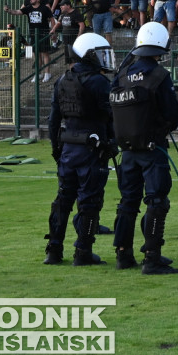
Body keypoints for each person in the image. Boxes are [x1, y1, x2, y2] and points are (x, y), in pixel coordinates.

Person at [110, 23, 178, 274]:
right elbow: (172, 113)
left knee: (127, 202)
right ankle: (152, 256)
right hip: (153, 149)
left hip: (127, 150)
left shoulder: (122, 73)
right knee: (157, 201)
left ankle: (122, 254)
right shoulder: (159, 75)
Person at [44, 32, 116, 266]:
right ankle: (83, 251)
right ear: (89, 54)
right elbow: (111, 116)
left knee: (63, 200)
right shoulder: (99, 82)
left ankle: (53, 250)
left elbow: (53, 120)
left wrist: (57, 149)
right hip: (92, 149)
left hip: (67, 148)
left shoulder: (62, 80)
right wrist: (113, 143)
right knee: (89, 202)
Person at [5, 0, 55, 78]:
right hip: (33, 35)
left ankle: (47, 73)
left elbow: (52, 19)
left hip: (43, 33)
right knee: (36, 55)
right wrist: (8, 10)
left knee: (45, 53)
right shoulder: (28, 8)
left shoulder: (45, 8)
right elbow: (17, 12)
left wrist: (53, 31)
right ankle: (38, 73)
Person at [51, 0, 85, 64]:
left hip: (74, 39)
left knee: (75, 58)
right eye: (60, 6)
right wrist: (53, 29)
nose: (61, 7)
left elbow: (82, 25)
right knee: (69, 59)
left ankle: (76, 72)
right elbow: (58, 23)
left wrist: (79, 36)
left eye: (62, 5)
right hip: (66, 40)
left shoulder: (76, 13)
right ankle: (72, 72)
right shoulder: (63, 14)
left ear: (68, 6)